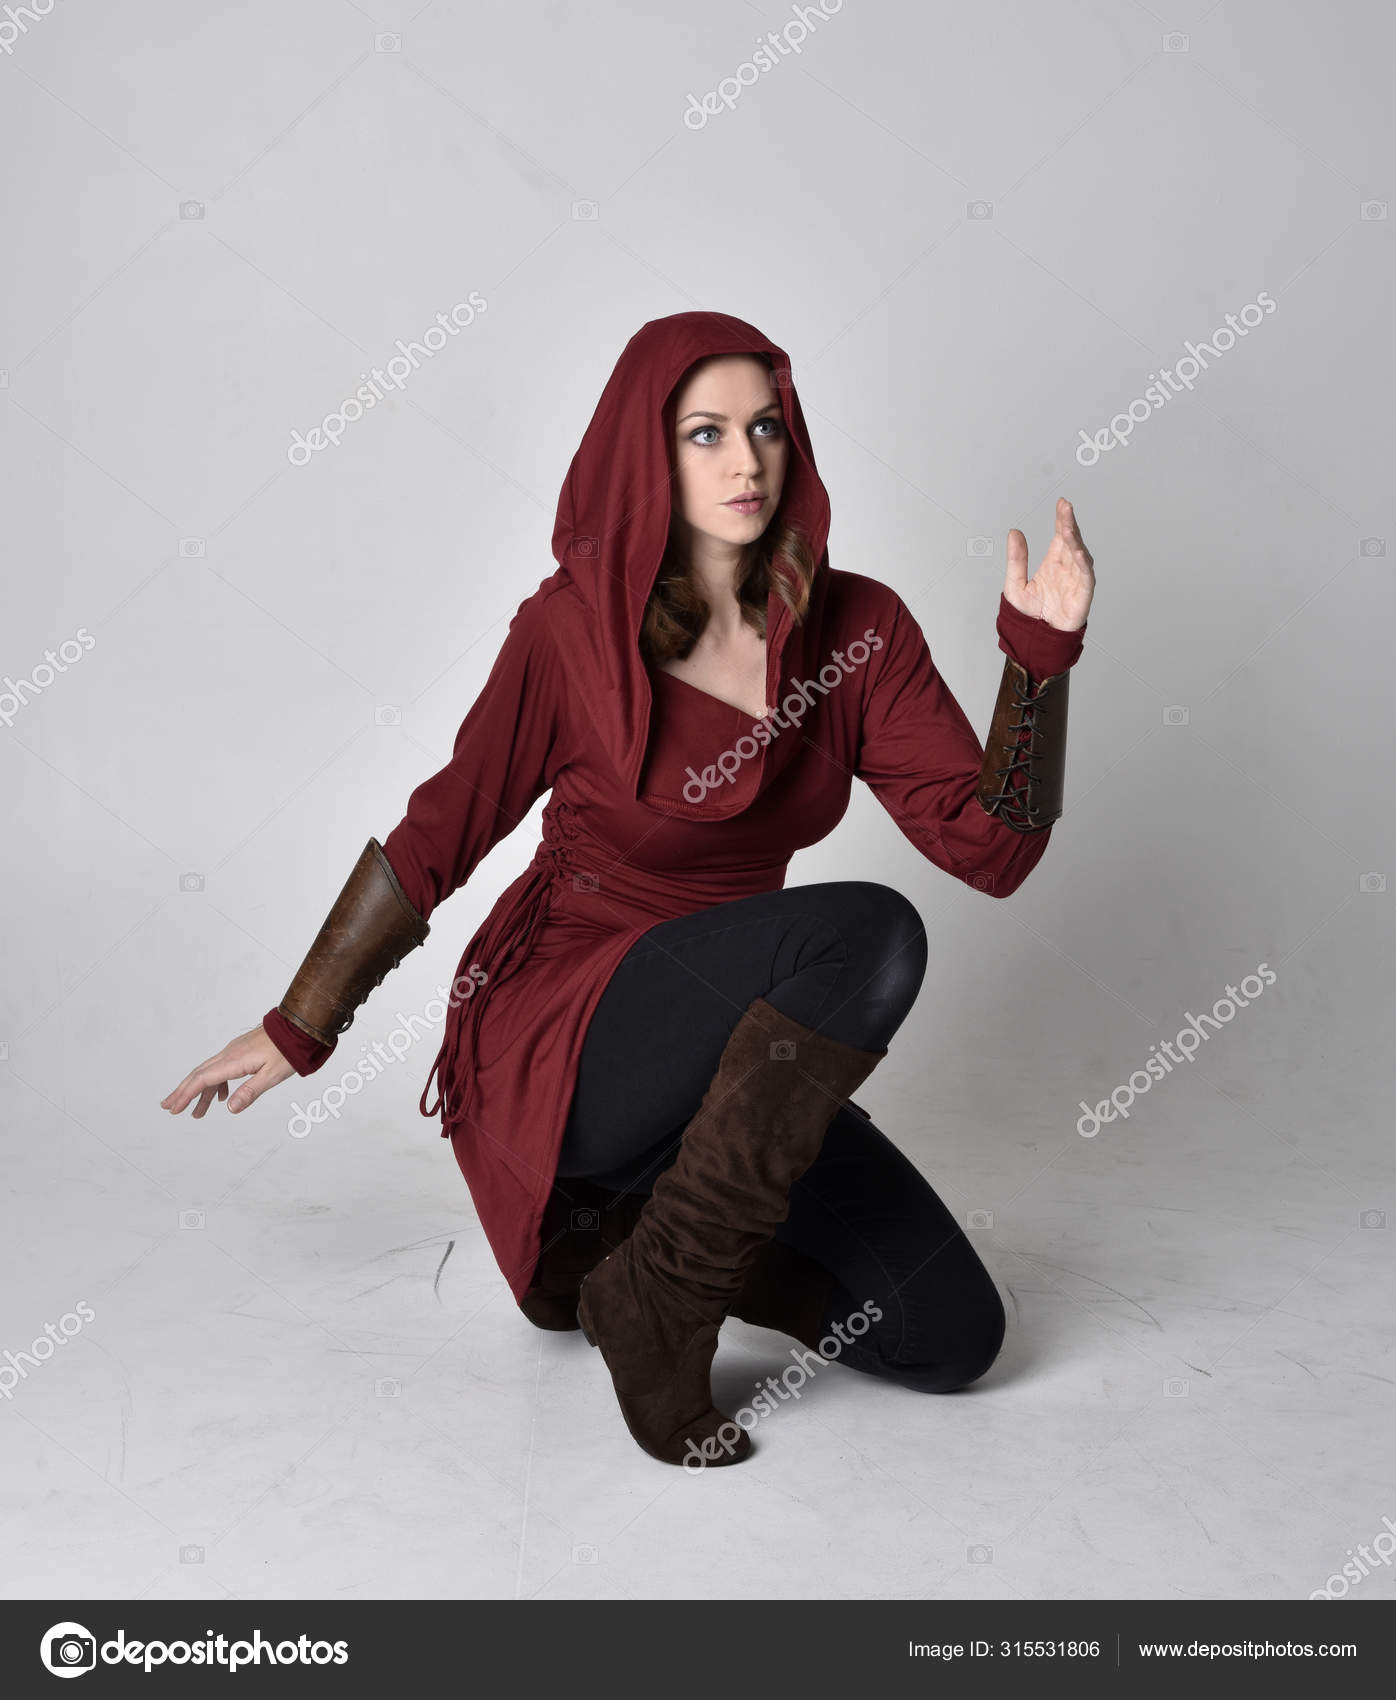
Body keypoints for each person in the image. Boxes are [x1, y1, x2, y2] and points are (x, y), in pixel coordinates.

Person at [161, 310, 1095, 1470]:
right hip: (570, 1025)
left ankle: (630, 1260)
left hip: (740, 1053)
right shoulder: (570, 628)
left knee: (949, 1337)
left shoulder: (857, 629)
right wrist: (299, 1022)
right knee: (874, 932)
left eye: (764, 427)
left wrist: (1037, 663)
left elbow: (990, 851)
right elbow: (442, 828)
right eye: (703, 433)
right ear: (641, 452)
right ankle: (663, 1302)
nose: (744, 460)